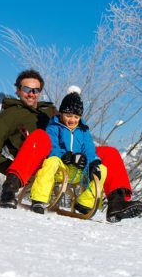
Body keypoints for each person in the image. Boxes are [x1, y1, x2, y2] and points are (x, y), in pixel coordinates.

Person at [0, 69, 142, 223]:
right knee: (41, 136)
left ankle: (117, 203)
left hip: (67, 159)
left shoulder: (50, 111)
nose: (31, 93)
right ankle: (9, 190)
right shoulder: (7, 116)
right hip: (37, 162)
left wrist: (87, 157)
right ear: (18, 90)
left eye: (36, 90)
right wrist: (16, 171)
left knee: (109, 153)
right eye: (26, 89)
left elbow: (75, 128)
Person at [29, 86, 107, 215]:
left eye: (76, 117)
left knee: (102, 169)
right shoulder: (54, 126)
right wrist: (66, 156)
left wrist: (91, 162)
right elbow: (50, 146)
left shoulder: (83, 130)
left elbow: (89, 149)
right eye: (68, 115)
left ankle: (84, 203)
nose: (72, 120)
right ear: (61, 113)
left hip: (78, 172)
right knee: (52, 161)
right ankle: (39, 199)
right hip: (59, 169)